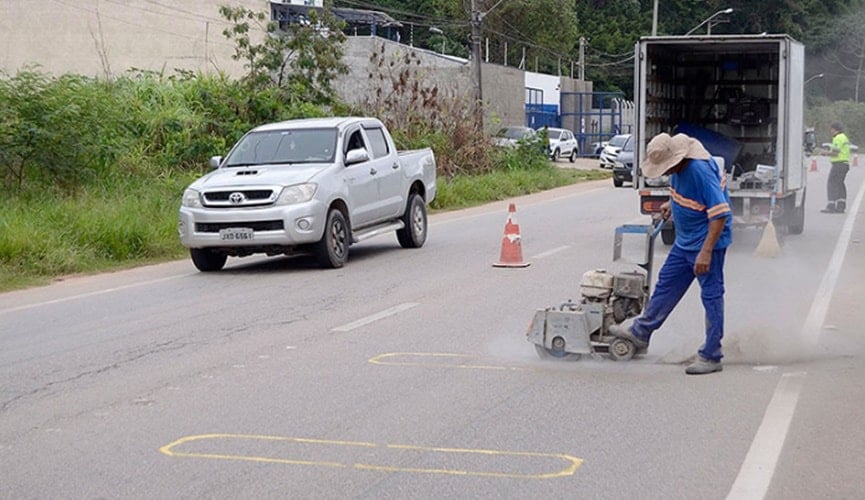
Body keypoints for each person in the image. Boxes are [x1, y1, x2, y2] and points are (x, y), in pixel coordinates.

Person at [610, 132, 732, 375]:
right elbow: (687, 194)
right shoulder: (679, 169)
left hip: (706, 243)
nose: (664, 172)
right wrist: (671, 203)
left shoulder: (699, 171)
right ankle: (641, 332)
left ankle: (712, 355)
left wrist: (706, 252)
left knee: (711, 296)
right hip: (685, 241)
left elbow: (719, 214)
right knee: (666, 284)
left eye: (666, 167)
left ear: (676, 159)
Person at [822, 122, 851, 213]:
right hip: (844, 164)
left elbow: (835, 152)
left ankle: (831, 205)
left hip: (839, 164)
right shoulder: (844, 137)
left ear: (834, 129)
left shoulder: (838, 138)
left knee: (832, 184)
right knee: (840, 184)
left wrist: (825, 153)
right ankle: (841, 206)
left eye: (831, 129)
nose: (830, 131)